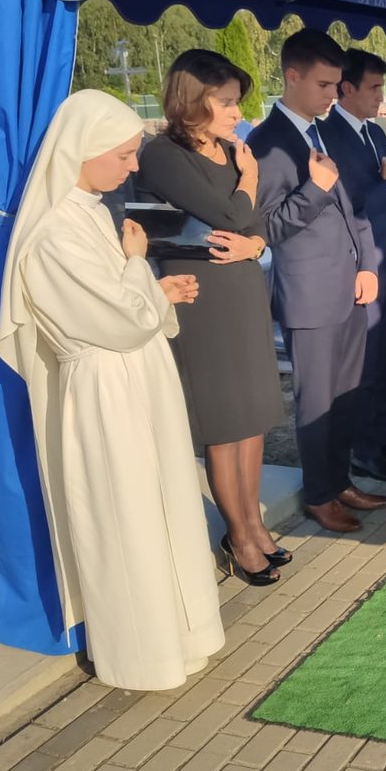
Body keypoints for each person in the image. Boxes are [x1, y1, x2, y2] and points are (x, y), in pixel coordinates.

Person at [0, 89, 224, 690]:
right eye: (123, 155)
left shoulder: (90, 212)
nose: (133, 166)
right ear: (82, 150)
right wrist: (140, 267)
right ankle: (142, 655)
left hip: (134, 376)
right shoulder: (52, 235)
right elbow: (116, 319)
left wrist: (156, 290)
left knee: (162, 502)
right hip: (104, 388)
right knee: (126, 517)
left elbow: (121, 303)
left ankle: (182, 635)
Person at [135, 49, 287, 586]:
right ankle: (238, 536)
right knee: (223, 423)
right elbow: (230, 213)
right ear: (191, 99)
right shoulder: (163, 154)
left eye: (236, 101)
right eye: (225, 102)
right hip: (201, 296)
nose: (236, 112)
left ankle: (255, 524)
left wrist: (254, 245)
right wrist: (250, 177)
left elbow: (255, 221)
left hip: (241, 287)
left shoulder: (228, 151)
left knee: (251, 417)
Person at [251, 29, 386, 535]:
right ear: (292, 76)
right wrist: (315, 188)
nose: (333, 94)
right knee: (316, 402)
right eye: (324, 84)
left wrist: (367, 264)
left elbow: (352, 209)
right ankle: (319, 494)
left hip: (349, 285)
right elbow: (267, 227)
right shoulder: (268, 143)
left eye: (336, 84)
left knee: (346, 394)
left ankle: (339, 480)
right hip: (309, 295)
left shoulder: (320, 131)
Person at [319, 48, 386, 484]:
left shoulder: (375, 133)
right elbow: (347, 203)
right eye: (375, 88)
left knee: (385, 358)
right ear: (347, 88)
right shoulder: (327, 136)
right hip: (360, 265)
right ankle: (364, 451)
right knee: (365, 363)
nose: (382, 97)